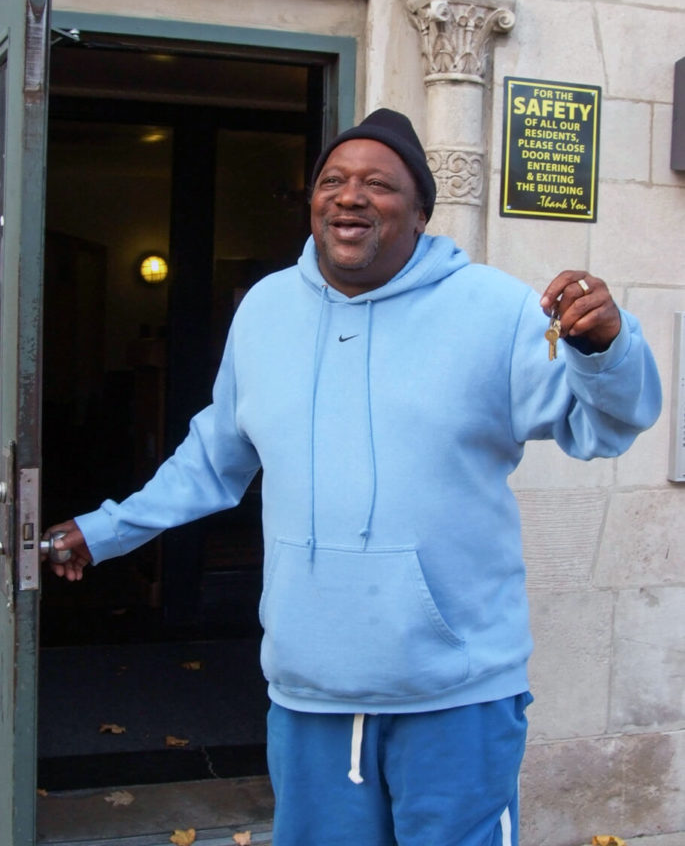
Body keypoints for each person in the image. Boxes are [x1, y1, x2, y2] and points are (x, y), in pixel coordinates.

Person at [47, 108, 661, 846]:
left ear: (420, 211)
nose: (349, 195)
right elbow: (213, 458)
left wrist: (606, 349)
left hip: (455, 692)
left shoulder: (496, 310)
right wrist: (107, 530)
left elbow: (604, 429)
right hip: (311, 689)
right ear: (311, 204)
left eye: (378, 183)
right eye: (331, 180)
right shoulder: (266, 309)